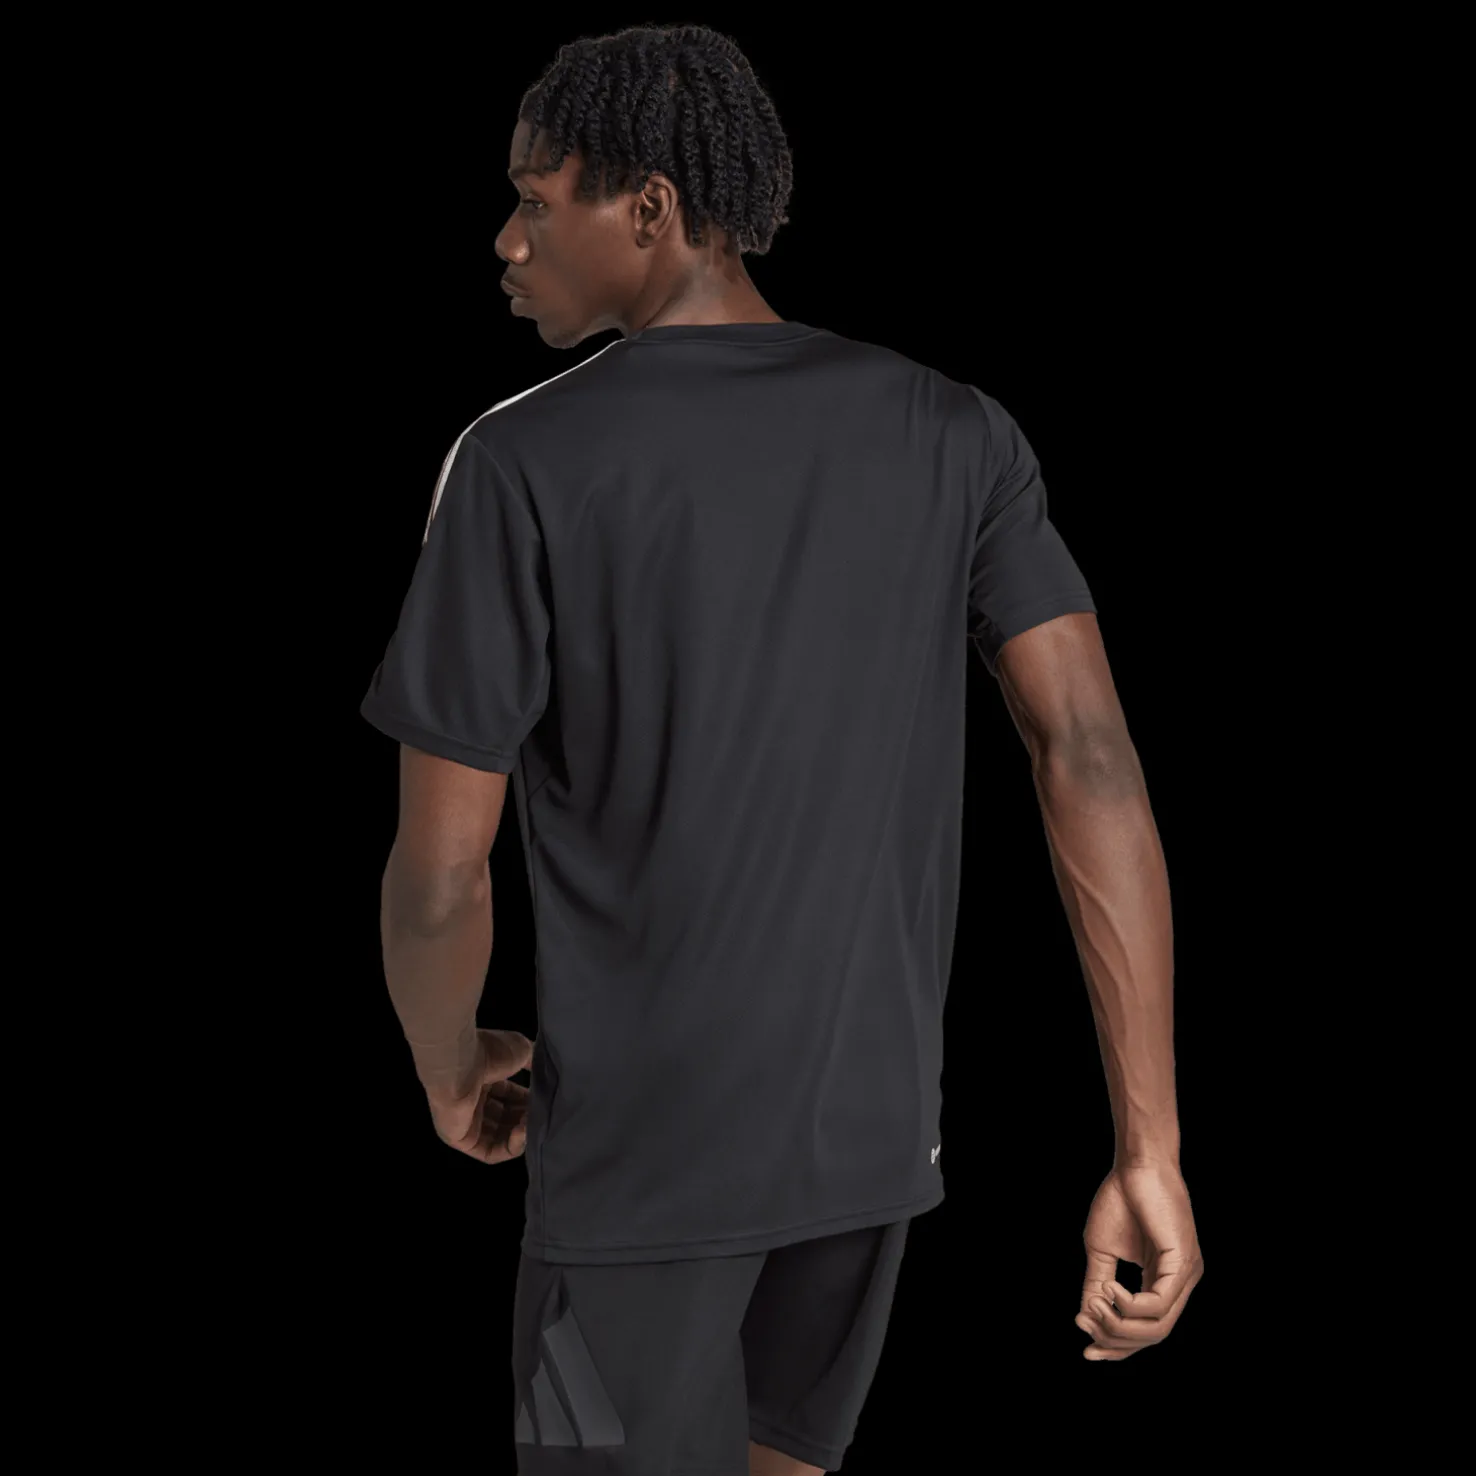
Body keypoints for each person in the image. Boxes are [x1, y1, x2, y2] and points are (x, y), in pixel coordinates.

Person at [361, 21, 1202, 1476]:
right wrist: (1149, 1152)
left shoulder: (520, 462)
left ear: (650, 207)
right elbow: (1093, 760)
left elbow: (441, 877)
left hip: (645, 1168)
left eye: (535, 199)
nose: (507, 240)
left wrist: (448, 1063)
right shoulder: (952, 429)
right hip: (868, 1150)